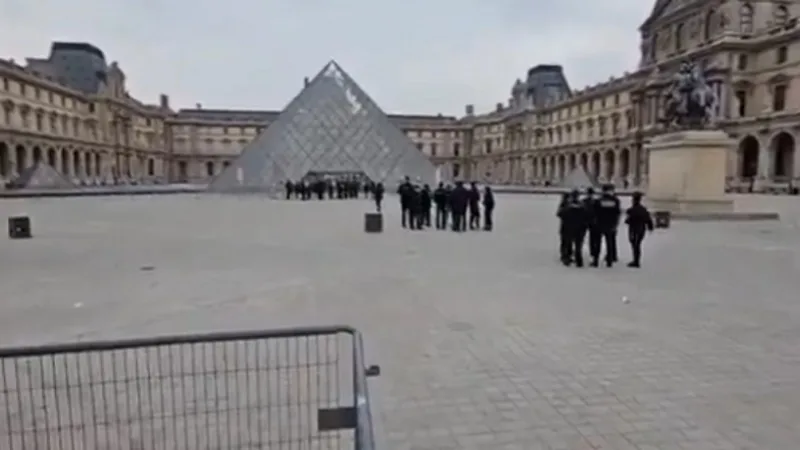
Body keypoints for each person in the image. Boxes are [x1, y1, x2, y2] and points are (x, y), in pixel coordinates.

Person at [594, 184, 622, 267]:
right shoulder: (615, 201)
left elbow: (595, 213)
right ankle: (609, 261)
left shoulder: (599, 200)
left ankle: (596, 260)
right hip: (610, 224)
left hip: (600, 224)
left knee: (597, 243)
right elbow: (617, 213)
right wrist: (615, 224)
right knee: (609, 243)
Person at [624, 191, 654, 268]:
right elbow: (648, 220)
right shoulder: (643, 210)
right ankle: (636, 260)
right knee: (638, 245)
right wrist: (650, 227)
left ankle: (636, 261)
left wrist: (628, 221)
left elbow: (628, 220)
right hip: (641, 230)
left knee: (635, 245)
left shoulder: (631, 210)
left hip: (633, 230)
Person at [583, 187, 601, 265]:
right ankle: (595, 255)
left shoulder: (584, 201)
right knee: (595, 240)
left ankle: (592, 253)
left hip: (586, 222)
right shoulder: (597, 202)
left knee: (590, 240)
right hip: (595, 223)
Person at [557, 193, 572, 264]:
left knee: (567, 242)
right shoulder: (565, 205)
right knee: (565, 242)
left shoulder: (564, 205)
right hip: (567, 226)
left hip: (566, 226)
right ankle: (565, 255)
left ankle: (567, 255)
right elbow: (559, 214)